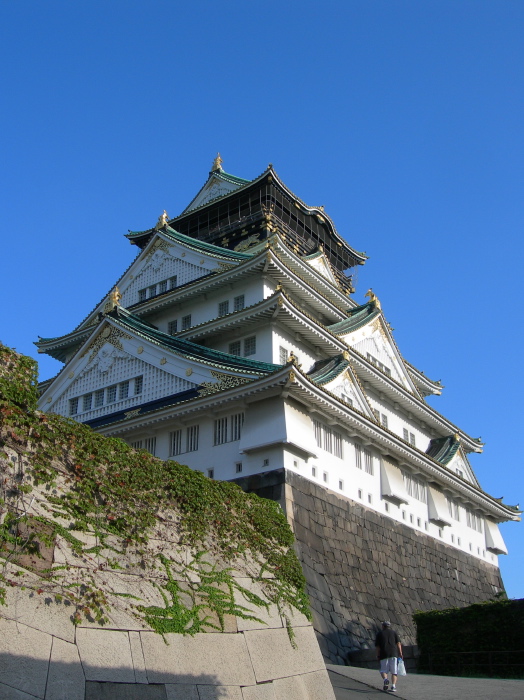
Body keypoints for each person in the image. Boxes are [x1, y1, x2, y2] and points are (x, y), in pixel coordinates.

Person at [375, 620, 403, 692]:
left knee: (383, 670)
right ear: (389, 626)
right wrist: (400, 653)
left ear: (383, 626)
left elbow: (378, 646)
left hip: (383, 654)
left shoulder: (379, 634)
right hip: (393, 654)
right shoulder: (394, 633)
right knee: (394, 672)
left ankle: (385, 680)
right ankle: (393, 686)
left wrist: (378, 655)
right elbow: (398, 644)